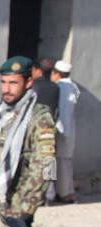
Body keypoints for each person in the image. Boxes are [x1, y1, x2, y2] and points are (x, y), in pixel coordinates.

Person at [0, 56, 56, 227]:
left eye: (13, 83)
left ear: (28, 82)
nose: (6, 89)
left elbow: (47, 164)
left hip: (16, 205)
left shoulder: (39, 117)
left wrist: (29, 209)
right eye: (3, 82)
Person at [49, 60, 77, 204]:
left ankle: (62, 193)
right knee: (65, 161)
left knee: (58, 162)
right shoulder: (73, 86)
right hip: (69, 129)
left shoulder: (61, 86)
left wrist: (61, 131)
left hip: (61, 129)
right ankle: (67, 191)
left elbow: (63, 112)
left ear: (56, 73)